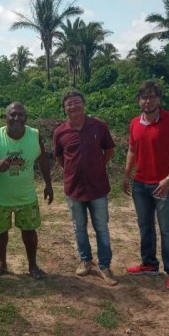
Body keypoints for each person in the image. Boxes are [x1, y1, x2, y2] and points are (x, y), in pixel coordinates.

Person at [123, 80, 169, 290]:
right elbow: (132, 151)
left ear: (159, 99)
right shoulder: (135, 123)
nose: (148, 101)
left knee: (168, 229)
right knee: (145, 226)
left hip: (165, 185)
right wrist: (126, 175)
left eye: (152, 96)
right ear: (139, 100)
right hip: (140, 184)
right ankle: (149, 264)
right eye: (144, 97)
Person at [53, 90, 118, 286]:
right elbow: (59, 157)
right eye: (69, 104)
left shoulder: (99, 126)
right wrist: (74, 170)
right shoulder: (60, 132)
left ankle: (105, 266)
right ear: (64, 108)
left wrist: (97, 166)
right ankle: (86, 261)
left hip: (97, 187)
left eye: (77, 102)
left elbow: (109, 150)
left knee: (101, 228)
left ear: (84, 104)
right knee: (78, 227)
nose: (73, 106)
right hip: (74, 188)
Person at [0, 102, 53, 279]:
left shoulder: (34, 135)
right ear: (6, 117)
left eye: (20, 115)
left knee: (29, 232)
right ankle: (2, 263)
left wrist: (49, 184)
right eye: (12, 115)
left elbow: (43, 160)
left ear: (26, 118)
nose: (16, 118)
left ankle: (33, 265)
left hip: (26, 196)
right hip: (0, 197)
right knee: (0, 232)